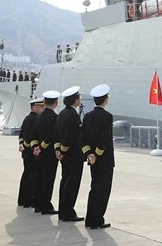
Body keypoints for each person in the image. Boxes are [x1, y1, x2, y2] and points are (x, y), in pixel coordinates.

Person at [82, 84, 114, 230]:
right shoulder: (107, 116)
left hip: (92, 160)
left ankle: (89, 219)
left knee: (94, 188)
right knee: (103, 190)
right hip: (104, 160)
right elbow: (105, 138)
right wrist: (97, 154)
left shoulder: (88, 116)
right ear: (105, 100)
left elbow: (83, 138)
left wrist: (90, 154)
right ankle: (97, 220)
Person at [57, 86, 85, 222]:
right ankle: (68, 212)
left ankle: (63, 211)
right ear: (75, 100)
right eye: (78, 98)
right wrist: (63, 151)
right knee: (72, 184)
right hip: (73, 155)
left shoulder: (62, 114)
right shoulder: (73, 116)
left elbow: (59, 135)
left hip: (65, 156)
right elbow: (69, 137)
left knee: (65, 182)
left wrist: (60, 151)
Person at [35, 90, 61, 215]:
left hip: (39, 153)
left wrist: (37, 148)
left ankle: (38, 204)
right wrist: (42, 147)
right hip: (49, 153)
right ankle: (46, 205)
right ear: (56, 103)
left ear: (44, 102)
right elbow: (52, 136)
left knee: (40, 178)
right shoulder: (55, 118)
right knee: (48, 180)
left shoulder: (39, 116)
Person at [18, 97, 43, 208]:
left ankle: (22, 199)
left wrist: (22, 144)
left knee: (27, 175)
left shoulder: (27, 118)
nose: (42, 108)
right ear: (35, 107)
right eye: (41, 106)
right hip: (31, 153)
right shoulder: (34, 119)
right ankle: (28, 199)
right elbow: (28, 137)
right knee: (32, 177)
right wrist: (31, 147)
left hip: (27, 152)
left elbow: (21, 136)